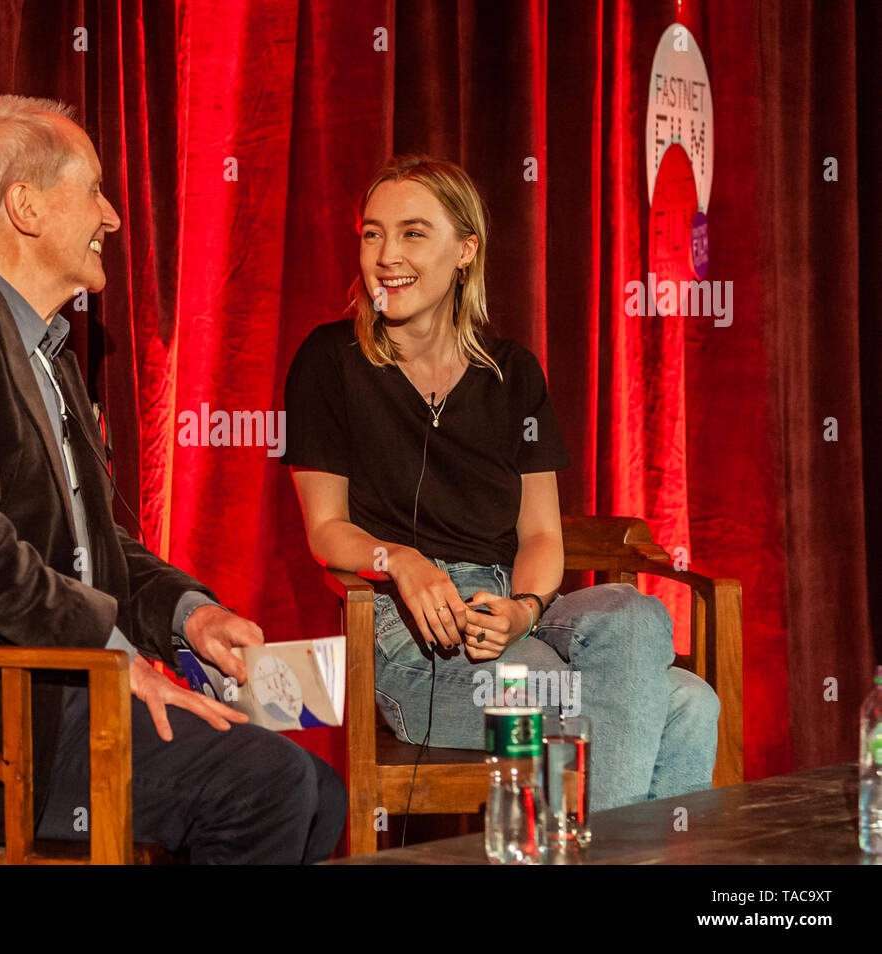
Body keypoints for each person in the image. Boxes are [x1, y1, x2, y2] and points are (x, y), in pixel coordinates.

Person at [0, 94, 345, 863]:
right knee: (267, 788)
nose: (113, 216)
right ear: (25, 205)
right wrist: (112, 652)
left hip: (61, 693)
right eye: (94, 189)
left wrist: (189, 619)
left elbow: (100, 548)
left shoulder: (51, 355)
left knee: (320, 792)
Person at [282, 154, 719, 811]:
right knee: (688, 703)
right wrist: (401, 560)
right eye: (372, 233)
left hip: (510, 617)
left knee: (633, 611)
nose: (385, 254)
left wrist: (523, 609)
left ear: (465, 249)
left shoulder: (512, 373)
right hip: (411, 637)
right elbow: (325, 530)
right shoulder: (328, 360)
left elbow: (541, 535)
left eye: (412, 233)